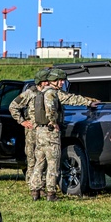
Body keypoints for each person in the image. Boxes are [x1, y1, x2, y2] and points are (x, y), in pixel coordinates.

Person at [28, 68, 100, 201]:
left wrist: (87, 101)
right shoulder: (51, 93)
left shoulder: (40, 93)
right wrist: (53, 122)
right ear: (53, 81)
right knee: (53, 163)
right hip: (50, 133)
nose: (62, 83)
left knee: (39, 163)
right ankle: (51, 193)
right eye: (59, 80)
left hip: (40, 132)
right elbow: (55, 106)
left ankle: (35, 191)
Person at [9, 68, 49, 199]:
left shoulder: (49, 93)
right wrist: (22, 121)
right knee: (32, 159)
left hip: (44, 130)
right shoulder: (30, 93)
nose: (49, 83)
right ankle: (33, 186)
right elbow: (13, 106)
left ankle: (41, 186)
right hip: (32, 131)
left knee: (43, 160)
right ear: (41, 81)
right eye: (46, 80)